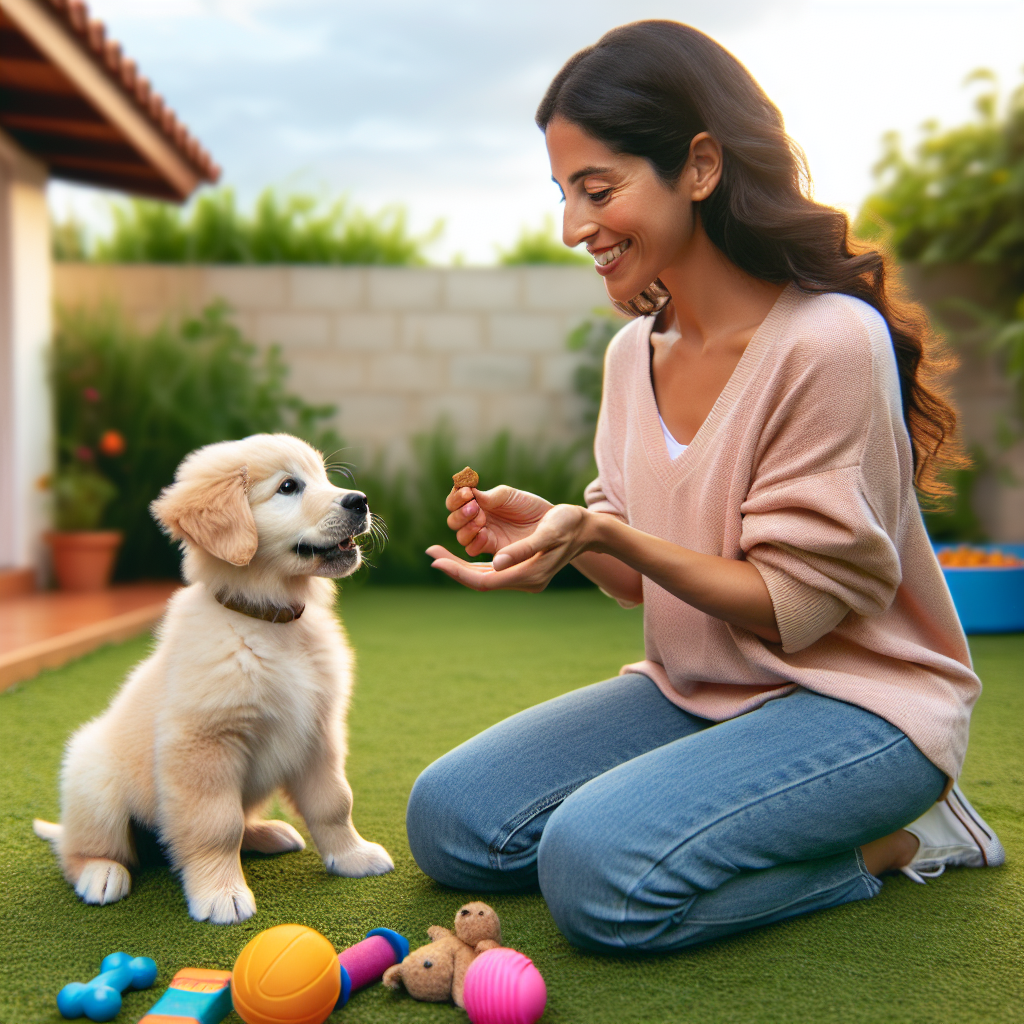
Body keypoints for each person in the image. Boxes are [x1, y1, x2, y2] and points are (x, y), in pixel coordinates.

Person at [406, 21, 1004, 953]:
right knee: (450, 819)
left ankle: (902, 840)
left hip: (864, 711)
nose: (573, 228)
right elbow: (644, 579)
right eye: (563, 195)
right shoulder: (628, 356)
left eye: (597, 190)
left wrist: (608, 537)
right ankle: (714, 808)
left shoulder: (827, 343)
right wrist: (558, 535)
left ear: (699, 165)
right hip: (698, 692)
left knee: (595, 875)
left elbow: (792, 608)